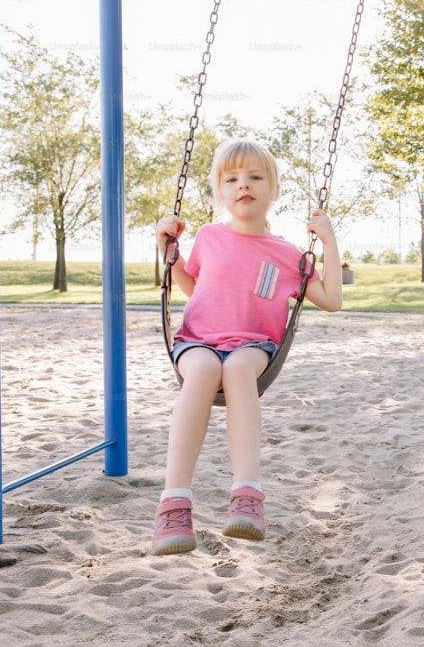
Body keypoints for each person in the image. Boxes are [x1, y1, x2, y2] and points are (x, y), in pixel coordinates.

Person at [151, 138, 342, 556]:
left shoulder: (288, 254)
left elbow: (332, 299)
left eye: (256, 177)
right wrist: (169, 251)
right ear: (220, 191)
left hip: (252, 345)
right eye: (232, 178)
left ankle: (247, 495)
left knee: (237, 370)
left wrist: (328, 242)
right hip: (198, 341)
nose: (244, 185)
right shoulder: (209, 237)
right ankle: (174, 502)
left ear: (273, 191)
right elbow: (193, 286)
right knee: (202, 372)